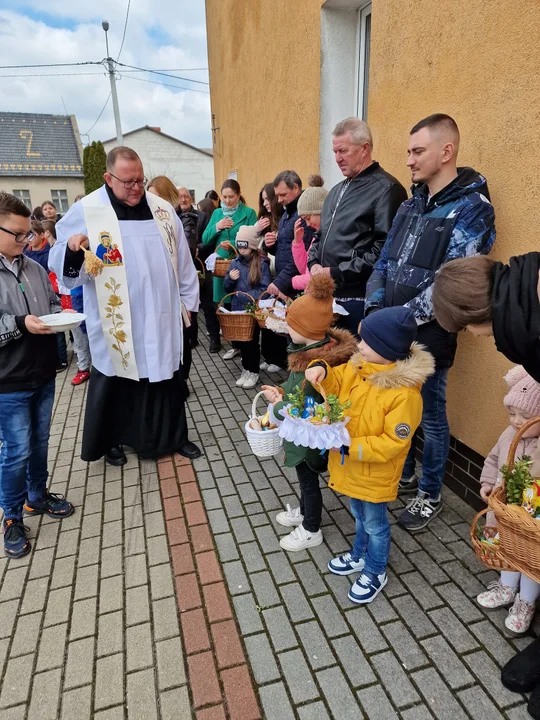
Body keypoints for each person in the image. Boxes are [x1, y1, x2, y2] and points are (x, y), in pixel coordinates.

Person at [364, 113, 496, 533]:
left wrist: (396, 320)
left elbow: (450, 281)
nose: (408, 160)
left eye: (417, 151)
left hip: (431, 332)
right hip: (392, 327)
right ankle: (403, 474)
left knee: (431, 413)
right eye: (408, 151)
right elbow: (385, 260)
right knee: (395, 404)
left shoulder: (474, 209)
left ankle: (430, 493)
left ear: (446, 151)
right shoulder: (410, 202)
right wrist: (374, 307)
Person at [432, 251, 540, 718]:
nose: (478, 339)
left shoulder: (523, 318)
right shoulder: (524, 304)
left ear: (479, 314)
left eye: (466, 328)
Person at [49, 146, 201, 466]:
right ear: (108, 177)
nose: (136, 189)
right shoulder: (88, 209)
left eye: (140, 181)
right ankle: (112, 442)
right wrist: (75, 250)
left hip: (160, 315)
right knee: (115, 380)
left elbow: (182, 262)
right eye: (128, 182)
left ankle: (174, 437)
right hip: (117, 316)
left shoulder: (161, 209)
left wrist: (190, 305)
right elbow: (60, 259)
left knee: (166, 377)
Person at [305, 307, 434, 603]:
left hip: (373, 472)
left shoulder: (405, 394)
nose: (359, 346)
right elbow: (336, 379)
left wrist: (349, 447)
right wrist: (322, 369)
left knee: (375, 524)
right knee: (358, 515)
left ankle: (376, 570)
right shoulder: (360, 366)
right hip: (351, 466)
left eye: (366, 342)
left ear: (386, 350)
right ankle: (359, 555)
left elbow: (393, 442)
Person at [0, 191, 74, 559]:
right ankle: (11, 517)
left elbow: (48, 305)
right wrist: (20, 324)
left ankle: (36, 496)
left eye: (27, 234)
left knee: (41, 442)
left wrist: (58, 315)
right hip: (8, 382)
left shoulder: (33, 267)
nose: (25, 240)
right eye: (17, 234)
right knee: (15, 451)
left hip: (43, 374)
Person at [263, 275, 357, 551]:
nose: (287, 329)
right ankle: (304, 514)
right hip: (304, 432)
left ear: (307, 330)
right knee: (304, 480)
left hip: (309, 437)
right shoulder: (309, 350)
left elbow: (300, 403)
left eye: (291, 325)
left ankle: (311, 527)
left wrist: (277, 407)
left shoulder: (313, 364)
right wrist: (280, 391)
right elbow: (293, 389)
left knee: (308, 481)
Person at [308, 118, 407, 335]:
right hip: (326, 296)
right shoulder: (334, 191)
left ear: (365, 148)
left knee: (352, 366)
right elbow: (320, 236)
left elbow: (385, 251)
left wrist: (335, 272)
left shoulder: (387, 190)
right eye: (334, 151)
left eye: (342, 151)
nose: (337, 158)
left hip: (358, 300)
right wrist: (313, 262)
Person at [475, 366, 540, 635]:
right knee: (506, 550)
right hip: (503, 511)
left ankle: (526, 602)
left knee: (531, 560)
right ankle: (506, 587)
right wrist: (487, 483)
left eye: (526, 416)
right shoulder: (507, 435)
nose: (516, 420)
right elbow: (492, 459)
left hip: (532, 519)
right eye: (511, 413)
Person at [147, 176, 195, 396]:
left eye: (155, 196)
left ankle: (180, 379)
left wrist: (188, 303)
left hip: (174, 295)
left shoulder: (178, 221)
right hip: (153, 297)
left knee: (180, 341)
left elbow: (186, 264)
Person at [202, 179, 257, 360]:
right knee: (226, 304)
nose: (227, 200)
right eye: (224, 197)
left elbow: (255, 237)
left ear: (239, 195)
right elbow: (205, 238)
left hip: (243, 264)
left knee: (241, 302)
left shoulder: (249, 213)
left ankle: (247, 344)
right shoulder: (217, 213)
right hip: (222, 267)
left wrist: (232, 243)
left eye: (231, 197)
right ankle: (235, 345)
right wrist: (217, 227)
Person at [223, 226, 271, 389]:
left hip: (251, 310)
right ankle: (246, 369)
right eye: (240, 246)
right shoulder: (235, 262)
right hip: (237, 310)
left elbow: (264, 290)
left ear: (252, 246)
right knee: (242, 341)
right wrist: (229, 278)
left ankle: (254, 371)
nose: (242, 250)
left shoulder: (261, 263)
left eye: (245, 246)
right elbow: (227, 287)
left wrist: (243, 295)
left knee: (251, 341)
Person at [44, 220, 90, 385]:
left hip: (80, 296)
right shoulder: (57, 252)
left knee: (86, 335)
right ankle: (83, 367)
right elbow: (53, 274)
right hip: (67, 300)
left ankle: (88, 366)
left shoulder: (81, 248)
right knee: (78, 337)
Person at [291, 185, 329, 292]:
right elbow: (305, 269)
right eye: (304, 219)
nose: (307, 224)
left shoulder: (331, 237)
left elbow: (315, 277)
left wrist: (292, 282)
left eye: (308, 218)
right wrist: (298, 243)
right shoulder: (317, 236)